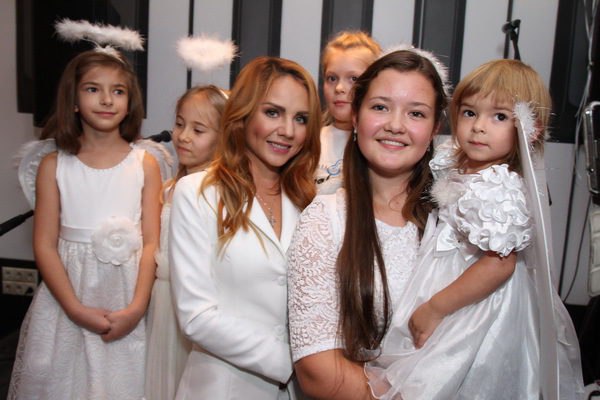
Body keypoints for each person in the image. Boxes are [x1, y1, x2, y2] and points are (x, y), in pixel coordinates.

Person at [365, 59, 584, 399]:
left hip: (475, 304)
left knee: (445, 376)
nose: (479, 127)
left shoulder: (498, 187)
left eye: (499, 117)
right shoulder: (458, 163)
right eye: (469, 112)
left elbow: (499, 264)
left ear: (530, 129)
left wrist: (436, 308)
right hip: (446, 279)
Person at [287, 49, 448, 400]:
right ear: (356, 118)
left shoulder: (454, 220)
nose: (396, 125)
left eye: (416, 113)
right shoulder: (326, 219)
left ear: (435, 128)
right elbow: (316, 371)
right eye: (380, 107)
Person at [8, 48, 162, 399]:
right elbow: (44, 244)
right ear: (74, 100)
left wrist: (137, 308)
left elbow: (152, 242)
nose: (107, 99)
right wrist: (75, 309)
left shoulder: (145, 164)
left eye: (118, 91)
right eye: (93, 89)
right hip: (68, 300)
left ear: (130, 101)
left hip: (128, 297)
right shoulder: (54, 165)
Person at [169, 56, 321, 399]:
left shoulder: (309, 200)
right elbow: (196, 316)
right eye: (273, 112)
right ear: (244, 113)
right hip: (223, 388)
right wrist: (294, 364)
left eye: (300, 118)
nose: (288, 130)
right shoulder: (197, 193)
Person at [144, 85, 228, 400]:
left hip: (195, 303)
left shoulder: (218, 192)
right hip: (163, 300)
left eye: (198, 129)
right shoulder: (168, 187)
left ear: (223, 137)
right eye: (180, 124)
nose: (183, 136)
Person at [315, 30, 381, 194]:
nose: (339, 88)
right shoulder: (311, 140)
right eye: (332, 78)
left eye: (353, 79)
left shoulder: (383, 144)